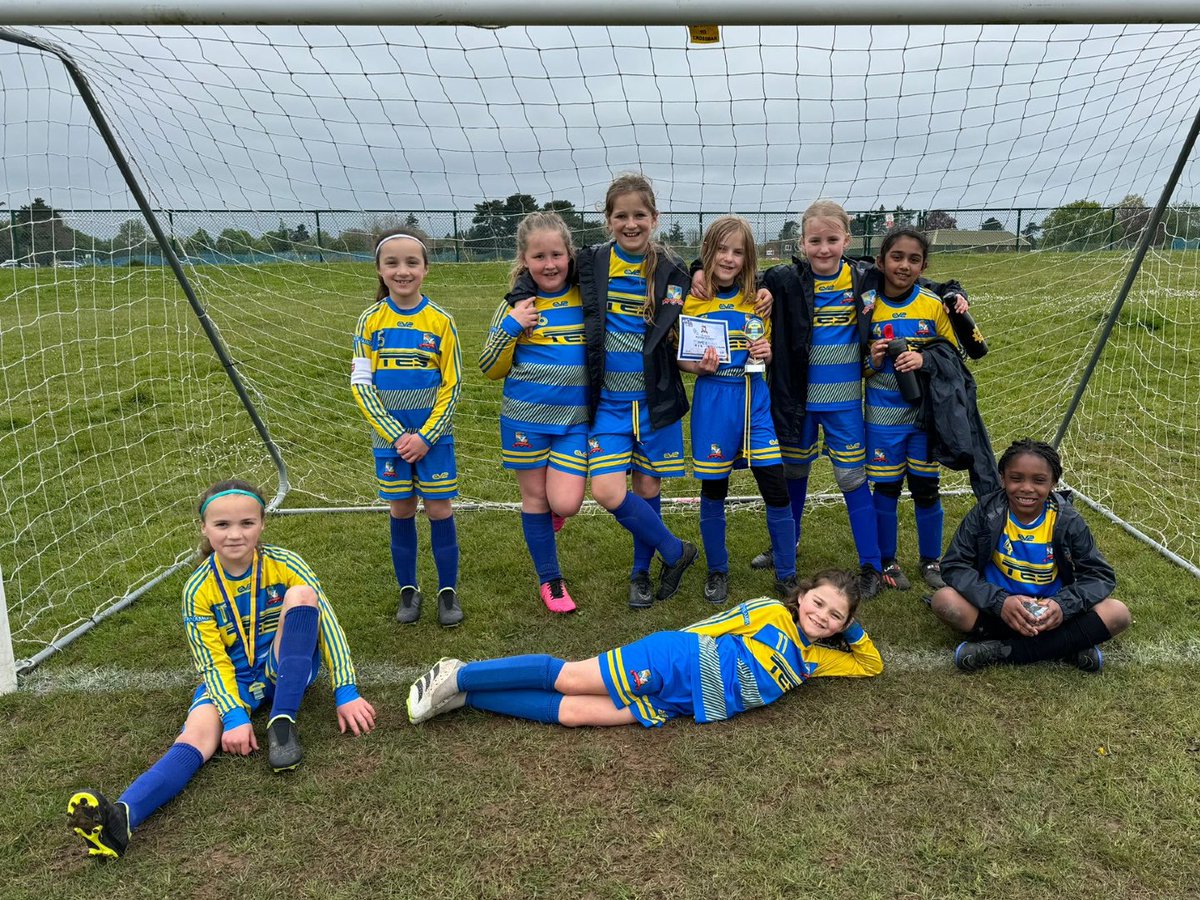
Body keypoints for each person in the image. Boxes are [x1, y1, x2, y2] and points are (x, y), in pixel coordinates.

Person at [67, 480, 376, 859]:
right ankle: (123, 818)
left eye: (247, 523)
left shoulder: (286, 564)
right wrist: (233, 716)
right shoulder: (197, 589)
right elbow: (212, 662)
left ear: (262, 523)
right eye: (222, 525)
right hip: (233, 681)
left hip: (283, 668)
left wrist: (346, 691)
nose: (234, 534)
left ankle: (283, 722)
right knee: (197, 736)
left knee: (302, 596)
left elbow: (326, 625)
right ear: (204, 528)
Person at [741, 200, 966, 599]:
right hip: (795, 401)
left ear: (846, 239)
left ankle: (871, 564)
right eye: (815, 241)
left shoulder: (864, 277)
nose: (823, 249)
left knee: (852, 479)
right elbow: (742, 278)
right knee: (793, 475)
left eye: (831, 240)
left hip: (845, 401)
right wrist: (707, 273)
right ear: (802, 241)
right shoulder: (785, 279)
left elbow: (912, 282)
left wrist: (953, 290)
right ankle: (784, 549)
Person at [511, 174, 698, 608]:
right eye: (621, 216)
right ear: (608, 219)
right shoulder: (592, 261)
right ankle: (676, 551)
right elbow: (543, 272)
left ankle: (641, 574)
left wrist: (755, 289)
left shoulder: (673, 272)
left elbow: (714, 288)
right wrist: (518, 298)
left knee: (648, 489)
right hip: (608, 404)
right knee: (609, 492)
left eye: (639, 215)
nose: (630, 224)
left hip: (655, 402)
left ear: (655, 218)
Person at [407, 569, 881, 728]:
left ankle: (470, 697)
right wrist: (659, 660)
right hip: (674, 663)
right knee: (572, 677)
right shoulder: (770, 613)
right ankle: (458, 675)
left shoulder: (817, 659)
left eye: (835, 615)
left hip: (686, 705)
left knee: (573, 715)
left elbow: (871, 666)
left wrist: (853, 627)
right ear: (801, 597)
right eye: (817, 603)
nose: (822, 616)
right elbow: (709, 627)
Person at [931, 439, 1132, 671]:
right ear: (1002, 478)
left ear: (1053, 483)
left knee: (1118, 613)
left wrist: (1061, 606)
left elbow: (1100, 576)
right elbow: (955, 565)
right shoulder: (987, 513)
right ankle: (1067, 645)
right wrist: (1000, 602)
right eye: (1016, 478)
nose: (1027, 488)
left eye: (1039, 480)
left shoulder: (1067, 520)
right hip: (998, 611)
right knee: (944, 601)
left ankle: (999, 650)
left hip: (1052, 615)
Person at [679, 215, 795, 604]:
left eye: (738, 251)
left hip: (754, 400)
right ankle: (717, 570)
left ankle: (787, 573)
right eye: (721, 250)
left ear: (748, 258)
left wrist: (767, 351)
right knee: (715, 490)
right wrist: (697, 366)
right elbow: (680, 358)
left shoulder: (757, 300)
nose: (729, 258)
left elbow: (766, 349)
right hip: (714, 402)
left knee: (775, 488)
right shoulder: (690, 298)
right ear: (707, 253)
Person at [351, 229, 464, 627]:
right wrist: (397, 435)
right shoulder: (369, 322)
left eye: (412, 262)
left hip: (433, 440)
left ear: (426, 269)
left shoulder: (441, 321)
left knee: (438, 508)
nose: (403, 271)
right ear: (380, 270)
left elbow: (452, 384)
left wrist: (426, 436)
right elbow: (361, 385)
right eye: (392, 263)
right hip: (391, 443)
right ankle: (408, 590)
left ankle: (447, 592)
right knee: (401, 509)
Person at [480, 211, 588, 613]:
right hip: (524, 420)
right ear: (524, 260)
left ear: (569, 254)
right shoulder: (515, 305)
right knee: (535, 499)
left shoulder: (584, 297)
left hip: (574, 421)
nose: (549, 264)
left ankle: (551, 519)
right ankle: (551, 581)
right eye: (539, 256)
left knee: (566, 503)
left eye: (556, 254)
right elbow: (490, 369)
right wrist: (511, 326)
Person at [865, 226, 967, 592]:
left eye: (913, 259)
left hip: (925, 416)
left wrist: (923, 359)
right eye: (896, 257)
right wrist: (873, 359)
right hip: (882, 415)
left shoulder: (932, 305)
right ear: (880, 261)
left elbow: (952, 359)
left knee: (926, 487)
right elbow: (856, 364)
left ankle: (930, 560)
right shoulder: (867, 305)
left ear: (924, 266)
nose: (904, 265)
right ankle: (887, 560)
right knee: (887, 488)